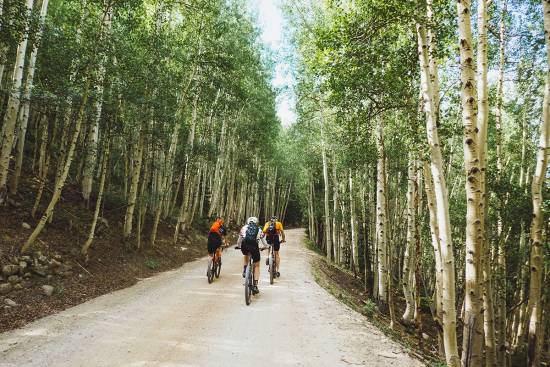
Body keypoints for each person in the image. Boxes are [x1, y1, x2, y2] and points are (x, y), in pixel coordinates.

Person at [237, 216, 267, 294]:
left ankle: (245, 270)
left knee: (246, 254)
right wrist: (266, 246)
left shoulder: (244, 228)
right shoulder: (259, 229)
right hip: (254, 247)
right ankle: (255, 285)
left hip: (245, 245)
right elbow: (264, 241)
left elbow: (239, 240)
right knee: (256, 265)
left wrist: (239, 246)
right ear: (256, 222)